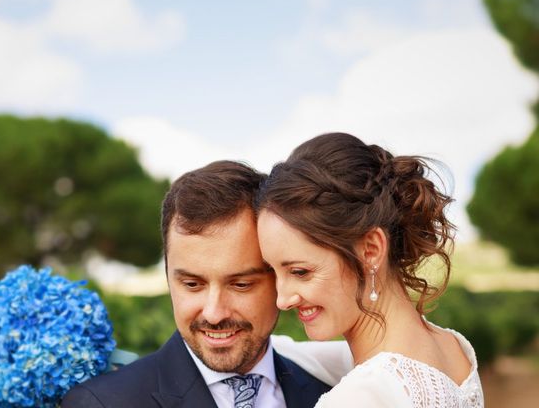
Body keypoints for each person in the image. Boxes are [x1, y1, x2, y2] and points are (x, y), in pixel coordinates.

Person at [62, 160, 350, 408]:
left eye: (240, 284)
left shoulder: (334, 396)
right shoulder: (101, 404)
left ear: (279, 277)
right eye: (192, 284)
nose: (214, 314)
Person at [256, 132, 484, 407]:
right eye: (272, 271)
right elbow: (295, 352)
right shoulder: (453, 348)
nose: (282, 300)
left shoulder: (361, 395)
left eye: (300, 272)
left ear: (371, 250)